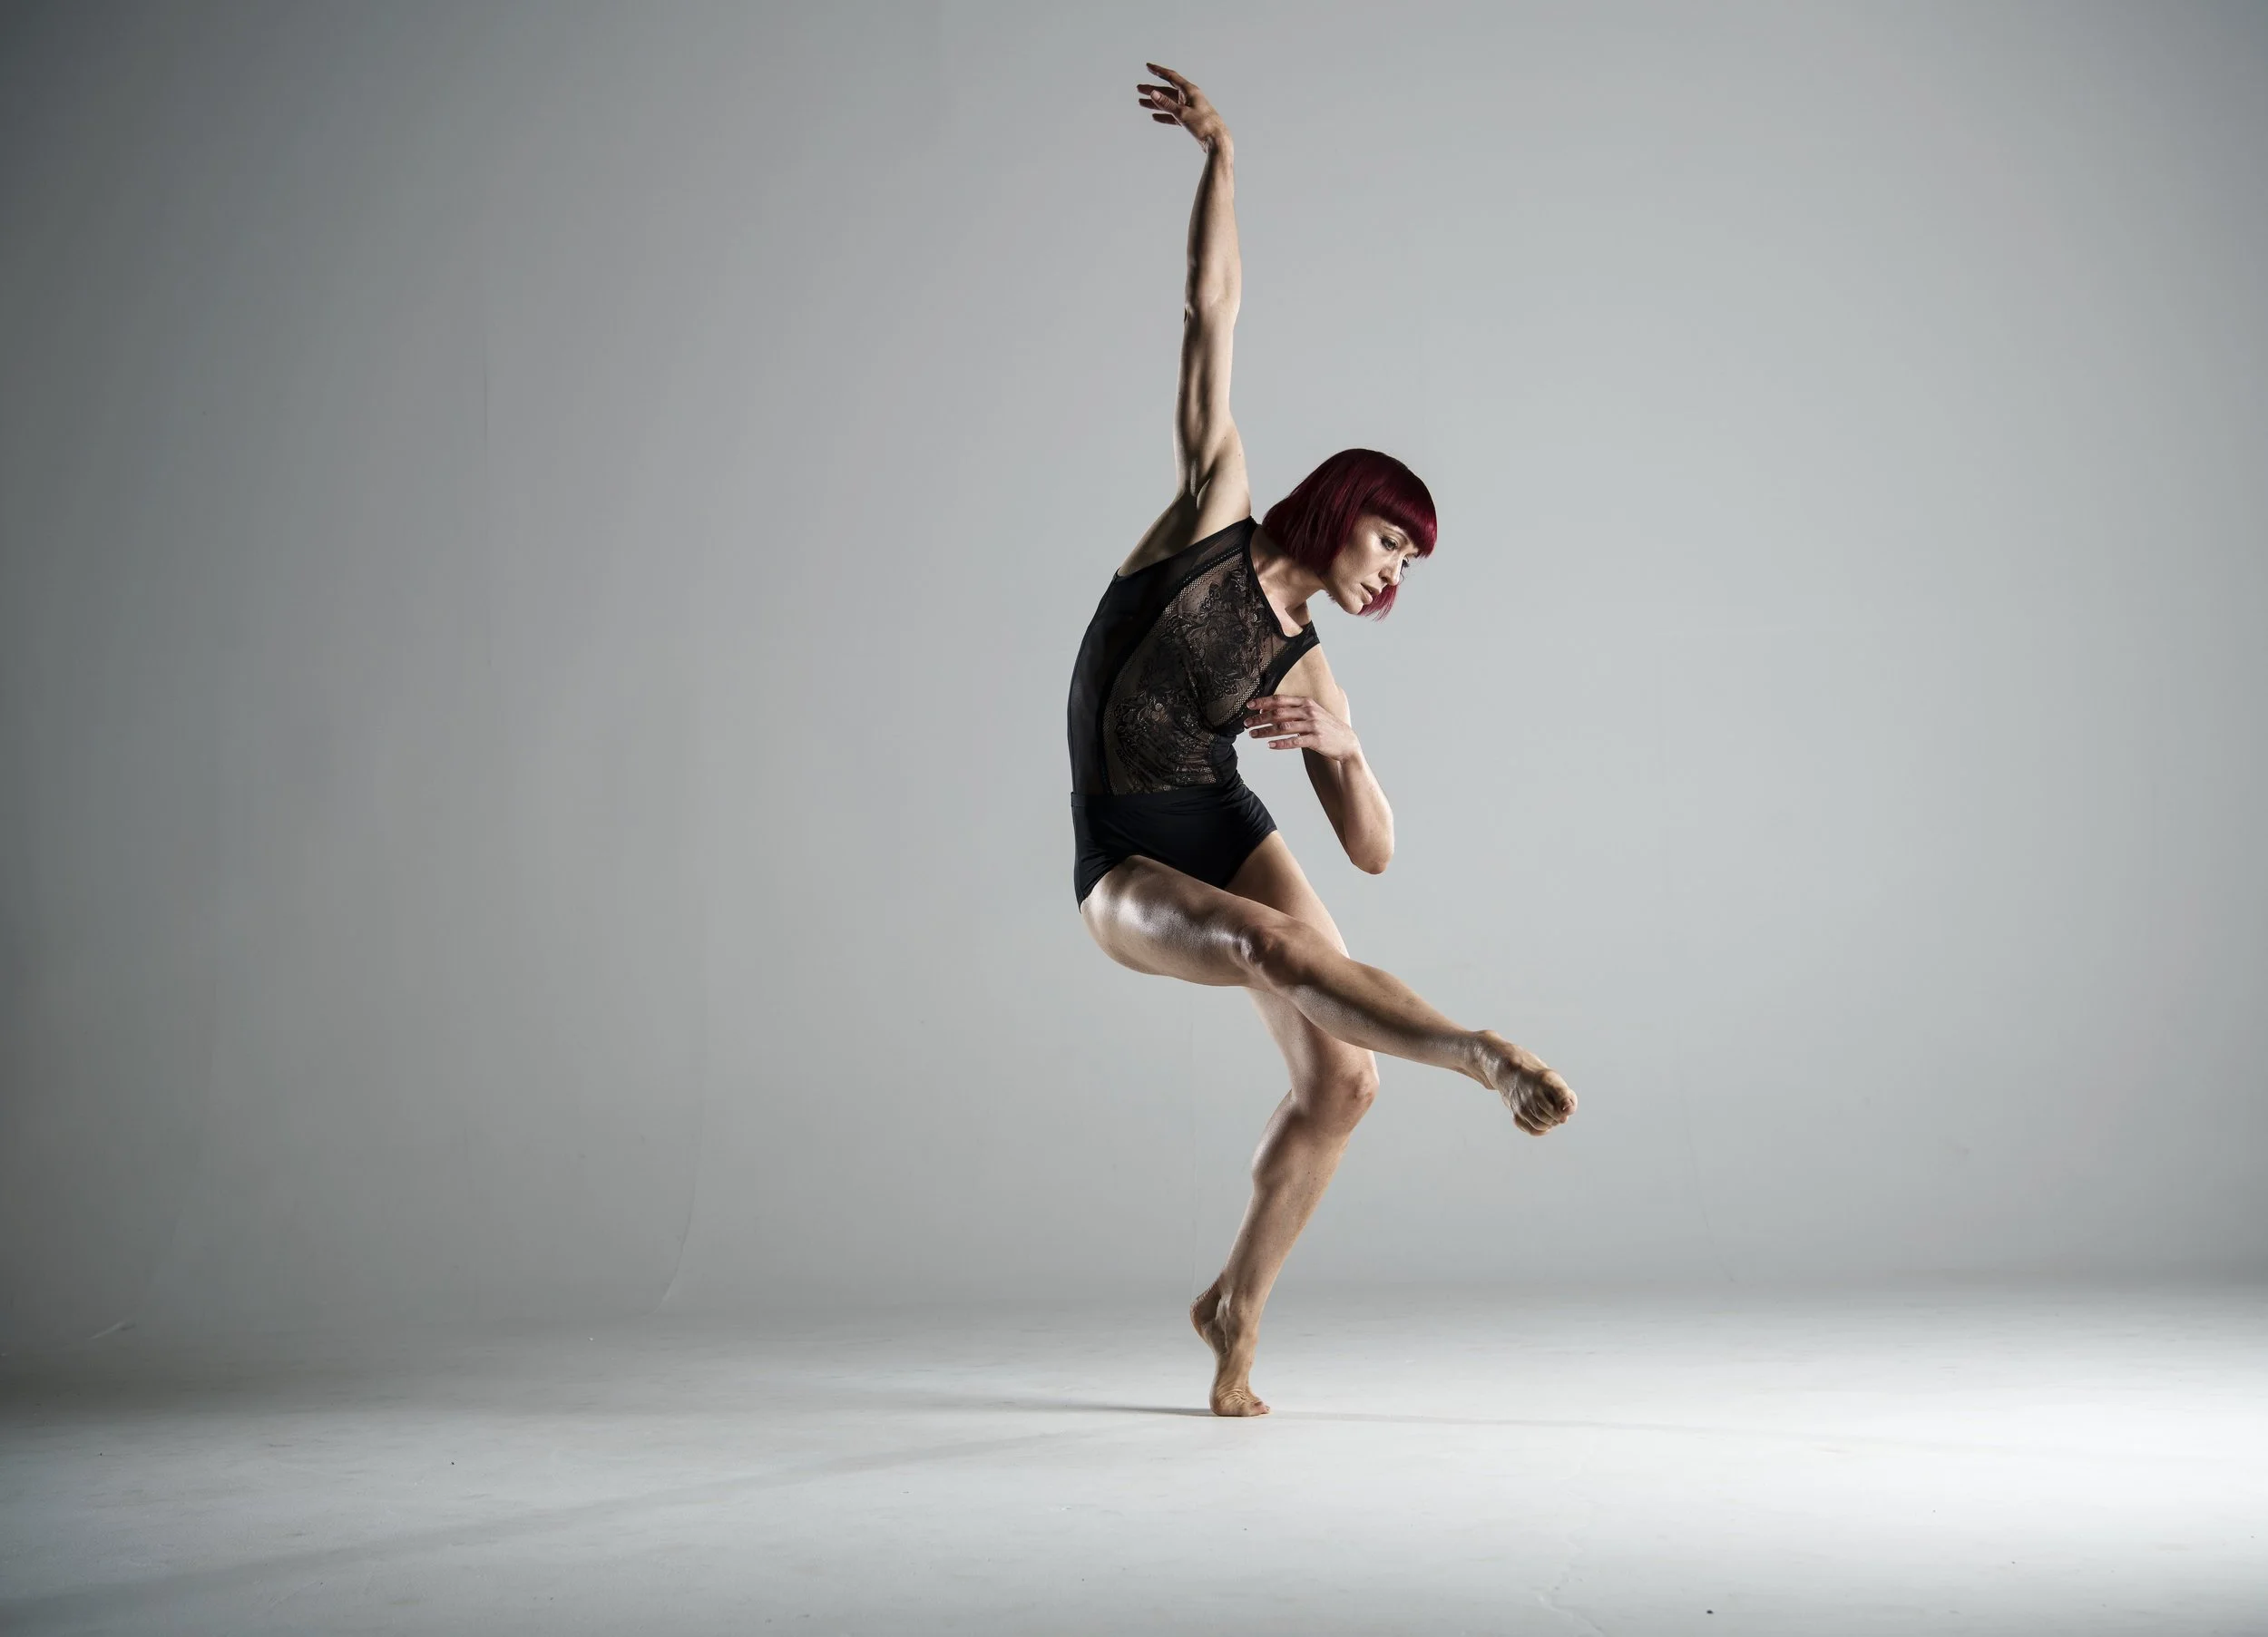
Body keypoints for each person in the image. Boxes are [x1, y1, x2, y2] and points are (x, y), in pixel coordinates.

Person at [1067, 64, 1579, 1418]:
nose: (1392, 572)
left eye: (1411, 562)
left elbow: (1376, 853)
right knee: (1265, 948)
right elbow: (1209, 314)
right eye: (1389, 540)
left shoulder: (1310, 663)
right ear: (1344, 504)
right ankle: (1477, 1051)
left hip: (1220, 821)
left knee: (1344, 1081)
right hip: (1123, 850)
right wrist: (1220, 155)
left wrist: (1342, 748)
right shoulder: (1211, 517)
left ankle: (1235, 1310)